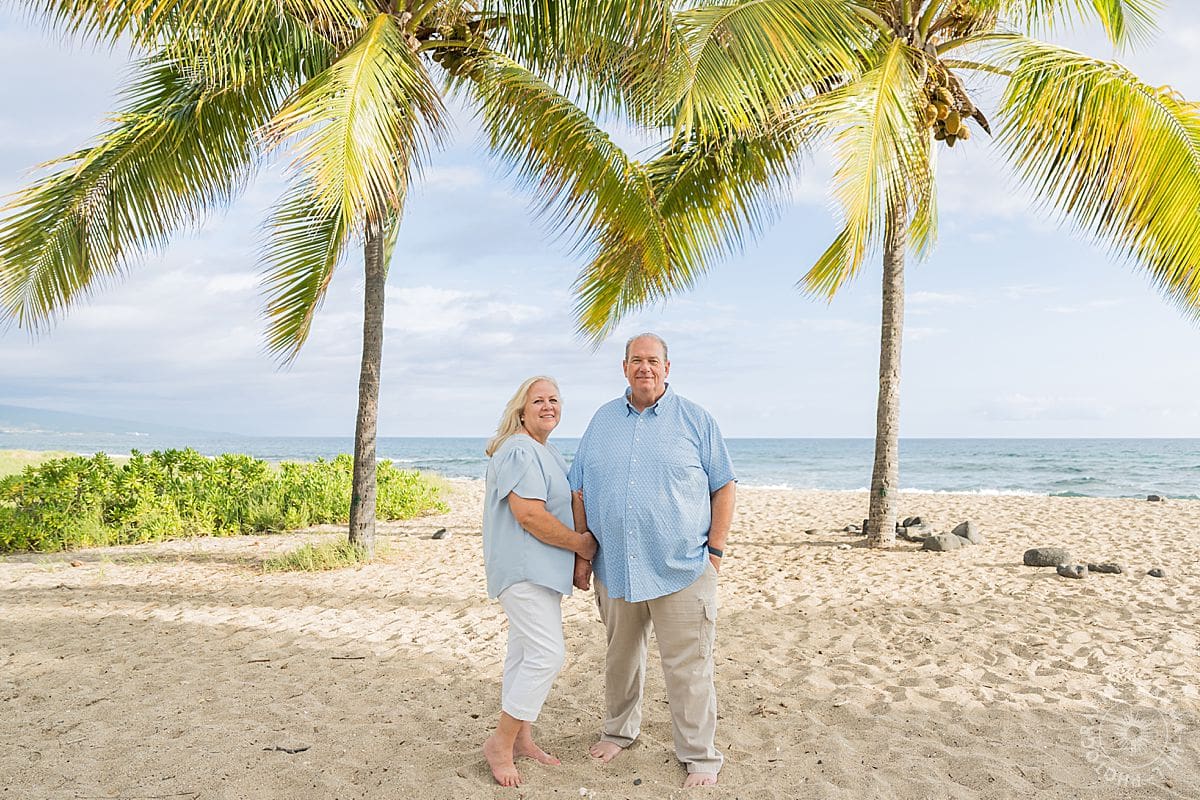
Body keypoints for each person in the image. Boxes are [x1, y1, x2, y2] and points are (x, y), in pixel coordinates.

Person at [569, 333, 736, 788]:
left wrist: (715, 554)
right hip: (616, 569)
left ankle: (699, 756)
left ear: (667, 367)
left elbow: (723, 486)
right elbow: (578, 488)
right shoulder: (602, 421)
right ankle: (619, 731)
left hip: (682, 568)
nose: (645, 368)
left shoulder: (696, 421)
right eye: (636, 360)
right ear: (624, 368)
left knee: (688, 667)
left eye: (653, 360)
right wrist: (584, 557)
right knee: (620, 660)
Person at [480, 376, 598, 787]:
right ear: (521, 410)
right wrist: (581, 545)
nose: (548, 406)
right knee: (548, 655)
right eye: (538, 400)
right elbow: (527, 515)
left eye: (554, 399)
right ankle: (500, 742)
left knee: (525, 653)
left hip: (541, 573)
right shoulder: (518, 449)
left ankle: (521, 739)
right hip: (523, 570)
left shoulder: (545, 451)